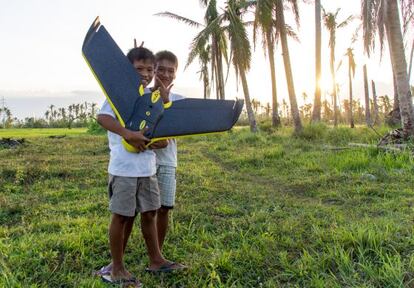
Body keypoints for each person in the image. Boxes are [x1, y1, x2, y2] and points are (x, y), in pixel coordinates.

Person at [95, 46, 183, 286]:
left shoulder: (150, 96)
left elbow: (157, 129)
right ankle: (117, 268)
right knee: (122, 217)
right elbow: (102, 117)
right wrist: (127, 134)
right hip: (124, 169)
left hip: (147, 168)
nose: (146, 73)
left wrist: (163, 108)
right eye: (139, 68)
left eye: (150, 69)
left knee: (150, 213)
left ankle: (156, 259)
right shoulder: (119, 93)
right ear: (127, 70)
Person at [152, 51, 185, 253]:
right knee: (140, 210)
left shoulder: (179, 100)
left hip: (167, 162)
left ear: (175, 73)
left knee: (163, 208)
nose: (165, 74)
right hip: (142, 161)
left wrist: (165, 102)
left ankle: (158, 251)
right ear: (153, 69)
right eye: (160, 69)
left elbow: (177, 130)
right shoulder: (142, 93)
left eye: (170, 70)